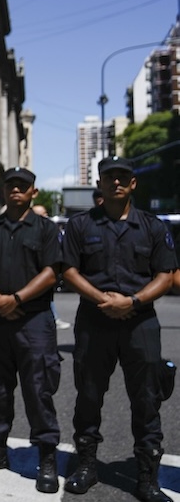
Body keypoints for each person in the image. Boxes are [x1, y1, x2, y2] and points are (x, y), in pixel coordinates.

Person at [61, 156, 176, 501]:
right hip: (94, 321)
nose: (116, 182)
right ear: (99, 184)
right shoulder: (80, 225)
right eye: (109, 177)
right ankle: (86, 466)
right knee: (89, 397)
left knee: (147, 400)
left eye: (122, 177)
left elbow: (166, 275)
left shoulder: (153, 227)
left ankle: (146, 477)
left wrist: (133, 302)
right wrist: (104, 300)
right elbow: (68, 270)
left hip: (140, 322)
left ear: (133, 183)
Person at [0, 167, 61, 493]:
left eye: (23, 185)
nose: (16, 190)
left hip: (34, 320)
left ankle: (47, 458)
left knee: (39, 390)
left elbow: (52, 272)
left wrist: (17, 298)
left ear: (34, 191)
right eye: (11, 185)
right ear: (4, 190)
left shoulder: (46, 229)